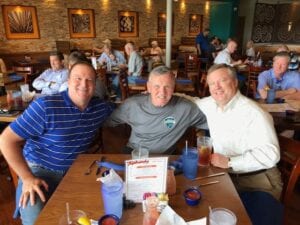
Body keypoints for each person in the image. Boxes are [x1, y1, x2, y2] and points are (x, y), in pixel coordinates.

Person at [0, 62, 113, 225]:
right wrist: (27, 178)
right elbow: (5, 140)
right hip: (39, 171)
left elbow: (121, 109)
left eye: (89, 80)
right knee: (35, 220)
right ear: (67, 81)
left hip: (76, 171)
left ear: (95, 85)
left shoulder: (99, 108)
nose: (84, 84)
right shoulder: (46, 106)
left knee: (96, 211)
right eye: (78, 78)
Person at [180, 64, 282, 199]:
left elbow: (271, 154)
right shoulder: (211, 104)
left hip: (259, 181)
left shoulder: (254, 113)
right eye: (212, 83)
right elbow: (191, 101)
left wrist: (230, 162)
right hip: (226, 175)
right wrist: (163, 93)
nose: (216, 87)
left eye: (222, 81)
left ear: (235, 82)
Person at [106, 65, 207, 154]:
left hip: (166, 157)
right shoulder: (132, 105)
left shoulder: (186, 108)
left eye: (167, 86)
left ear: (173, 88)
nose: (162, 92)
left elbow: (213, 121)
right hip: (135, 153)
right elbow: (107, 122)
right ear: (149, 87)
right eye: (157, 86)